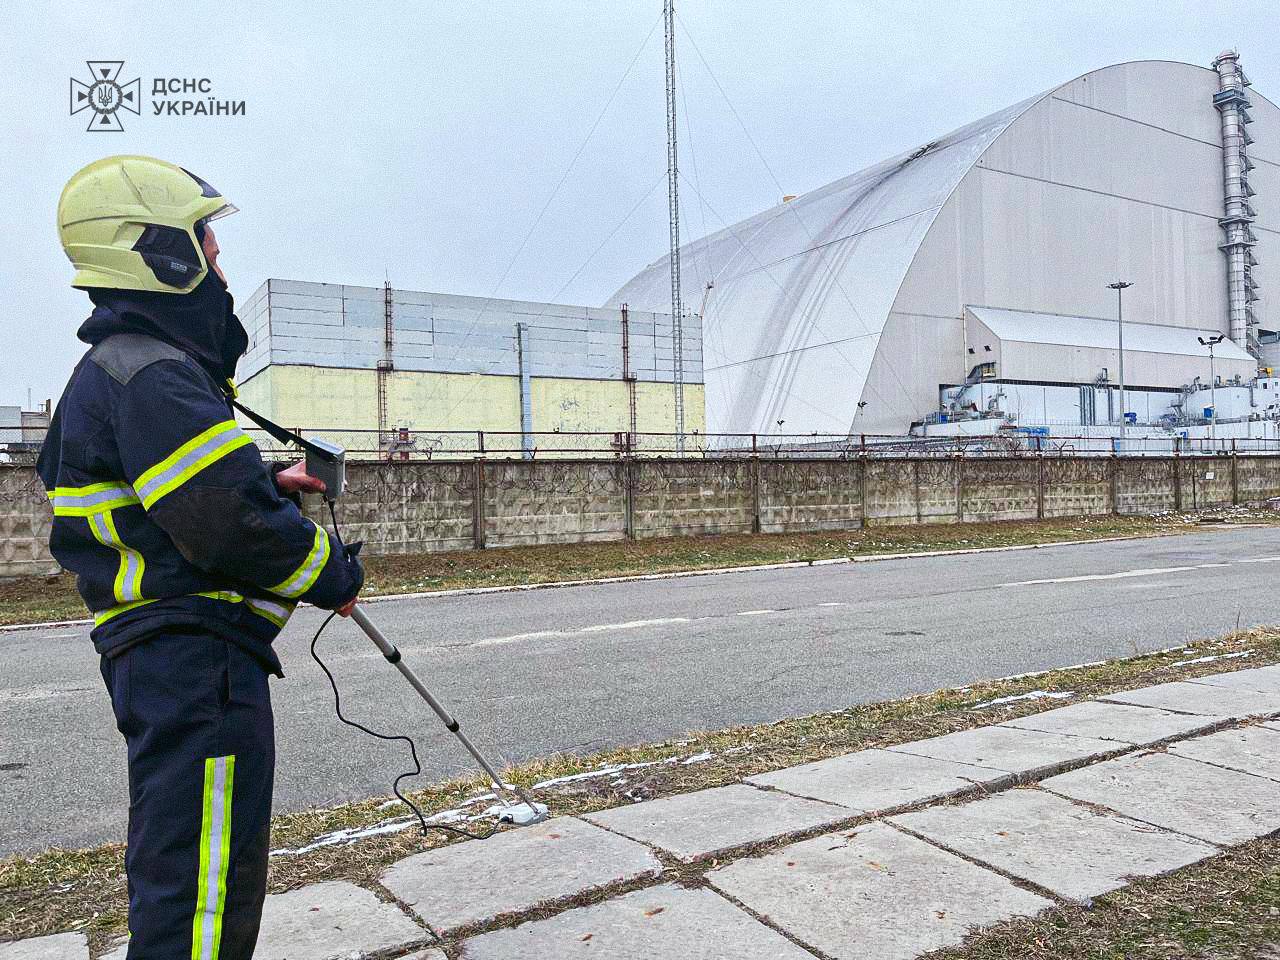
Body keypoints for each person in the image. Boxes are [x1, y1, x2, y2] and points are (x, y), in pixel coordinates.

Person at [38, 155, 363, 959]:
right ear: (155, 251)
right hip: (195, 662)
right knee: (202, 882)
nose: (219, 262)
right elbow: (227, 529)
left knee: (185, 858)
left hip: (168, 659)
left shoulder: (123, 371)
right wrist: (331, 571)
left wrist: (256, 475)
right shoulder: (155, 377)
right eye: (206, 244)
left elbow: (174, 496)